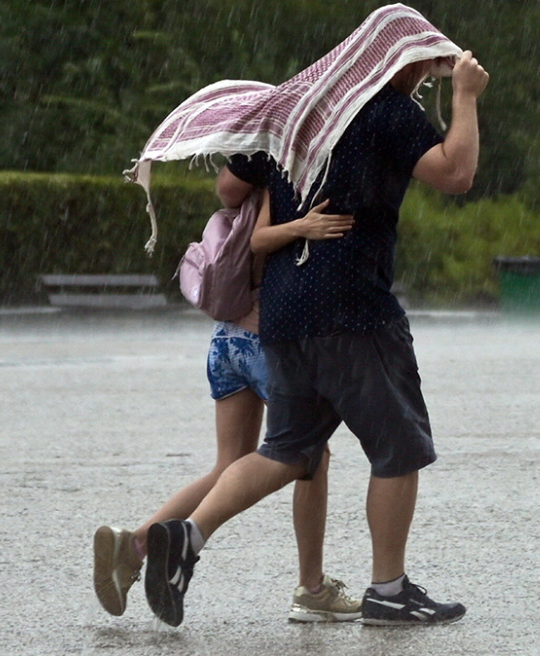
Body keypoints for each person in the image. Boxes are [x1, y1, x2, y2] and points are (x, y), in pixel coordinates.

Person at [140, 30, 489, 628]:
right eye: (423, 67)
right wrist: (465, 97)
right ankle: (389, 591)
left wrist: (289, 186)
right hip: (354, 308)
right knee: (398, 448)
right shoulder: (386, 110)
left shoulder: (295, 109)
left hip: (282, 311)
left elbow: (229, 187)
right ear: (396, 61)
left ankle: (187, 539)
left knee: (287, 451)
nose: (422, 78)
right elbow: (456, 173)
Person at [92, 191, 361, 623]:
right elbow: (264, 244)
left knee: (228, 465)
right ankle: (312, 588)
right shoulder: (285, 178)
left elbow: (231, 202)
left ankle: (137, 544)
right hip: (264, 343)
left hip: (225, 340)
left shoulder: (245, 182)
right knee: (312, 453)